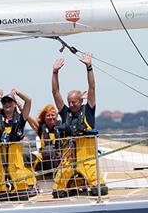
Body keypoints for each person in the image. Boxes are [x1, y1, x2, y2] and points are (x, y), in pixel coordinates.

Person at [51, 54, 107, 197]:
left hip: (87, 158)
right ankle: (71, 185)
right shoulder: (65, 113)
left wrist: (89, 67)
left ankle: (85, 183)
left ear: (80, 101)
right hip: (69, 159)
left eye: (74, 102)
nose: (71, 105)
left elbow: (92, 88)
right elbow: (55, 92)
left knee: (99, 190)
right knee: (57, 193)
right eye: (69, 102)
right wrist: (55, 72)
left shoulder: (88, 110)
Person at [0, 89, 33, 201]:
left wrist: (17, 93)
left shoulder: (21, 117)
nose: (7, 104)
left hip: (15, 151)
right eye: (4, 102)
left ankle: (19, 189)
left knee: (20, 186)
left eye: (10, 101)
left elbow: (28, 101)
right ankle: (2, 191)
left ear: (14, 103)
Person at [25, 104, 64, 178]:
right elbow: (27, 117)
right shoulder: (41, 129)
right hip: (44, 160)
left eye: (53, 115)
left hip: (59, 160)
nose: (51, 117)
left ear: (56, 116)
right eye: (48, 115)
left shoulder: (62, 128)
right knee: (27, 155)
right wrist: (21, 107)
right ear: (44, 118)